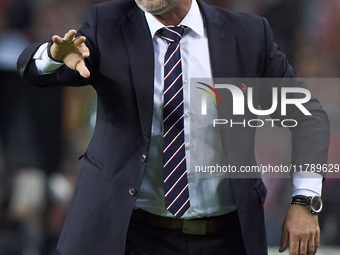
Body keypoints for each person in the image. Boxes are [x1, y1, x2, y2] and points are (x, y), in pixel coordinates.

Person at [17, 0, 330, 254]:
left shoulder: (246, 34)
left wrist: (305, 201)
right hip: (130, 233)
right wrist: (53, 56)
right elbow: (33, 68)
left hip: (226, 237)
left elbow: (309, 116)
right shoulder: (108, 23)